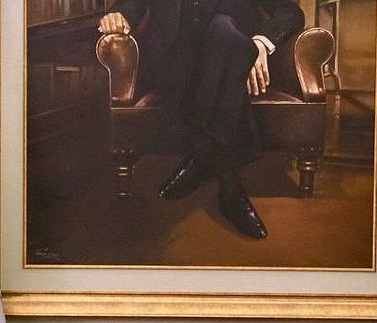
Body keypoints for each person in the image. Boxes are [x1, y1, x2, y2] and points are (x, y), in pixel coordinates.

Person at [98, 0, 305, 240]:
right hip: (175, 61)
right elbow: (130, 5)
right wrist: (116, 15)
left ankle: (209, 167)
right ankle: (226, 186)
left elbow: (291, 12)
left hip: (230, 50)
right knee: (227, 42)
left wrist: (260, 43)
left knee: (223, 30)